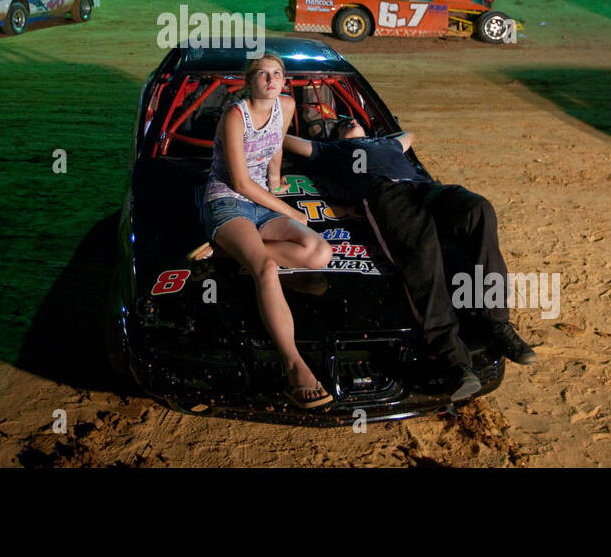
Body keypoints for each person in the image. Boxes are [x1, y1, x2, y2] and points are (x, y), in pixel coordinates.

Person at [283, 118, 536, 402]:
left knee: (479, 210)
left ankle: (498, 324)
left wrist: (380, 135)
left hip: (426, 189)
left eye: (352, 119)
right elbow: (286, 140)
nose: (350, 120)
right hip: (386, 194)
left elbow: (409, 134)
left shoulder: (388, 143)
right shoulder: (331, 149)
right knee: (421, 260)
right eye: (342, 123)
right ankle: (454, 363)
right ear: (335, 135)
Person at [191, 52, 335, 409]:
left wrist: (275, 181)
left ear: (284, 81)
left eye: (277, 74)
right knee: (265, 268)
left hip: (262, 200)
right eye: (262, 74)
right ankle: (294, 366)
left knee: (320, 253)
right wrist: (289, 210)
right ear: (249, 81)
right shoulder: (234, 115)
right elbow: (239, 181)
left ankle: (226, 250)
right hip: (227, 201)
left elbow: (274, 149)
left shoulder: (285, 106)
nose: (271, 80)